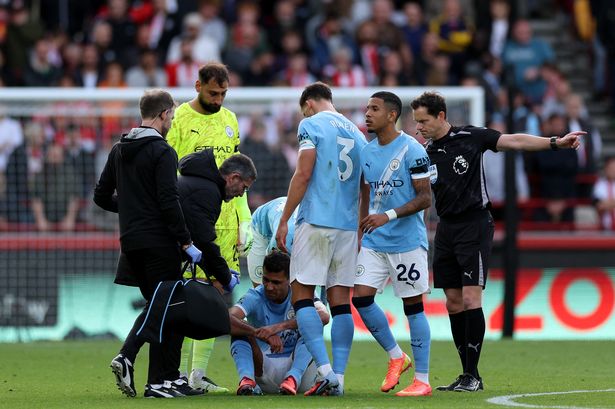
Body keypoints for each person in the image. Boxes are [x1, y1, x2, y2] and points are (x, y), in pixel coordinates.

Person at [410, 91, 584, 392]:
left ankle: (473, 375)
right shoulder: (424, 151)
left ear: (440, 116)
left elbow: (514, 140)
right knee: (452, 303)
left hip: (474, 224)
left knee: (469, 299)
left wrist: (555, 142)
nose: (419, 127)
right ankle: (465, 374)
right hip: (446, 229)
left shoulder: (471, 137)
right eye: (416, 122)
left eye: (423, 121)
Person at [93, 89, 204, 398]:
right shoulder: (163, 152)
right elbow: (169, 201)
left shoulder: (119, 149)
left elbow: (100, 196)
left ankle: (167, 380)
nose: (171, 121)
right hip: (159, 242)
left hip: (131, 242)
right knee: (164, 305)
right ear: (164, 115)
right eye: (171, 115)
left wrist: (131, 209)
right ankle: (132, 359)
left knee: (166, 308)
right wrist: (185, 241)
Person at [275, 82, 368, 396]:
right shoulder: (357, 133)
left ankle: (325, 372)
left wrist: (285, 217)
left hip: (316, 220)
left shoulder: (310, 124)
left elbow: (303, 173)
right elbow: (365, 184)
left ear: (309, 104)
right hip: (346, 225)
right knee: (341, 303)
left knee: (302, 294)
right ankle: (339, 379)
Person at [166, 61, 253, 393]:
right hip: (191, 223)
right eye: (213, 92)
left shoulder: (230, 120)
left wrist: (244, 218)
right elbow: (168, 173)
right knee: (185, 298)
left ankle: (197, 374)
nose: (218, 99)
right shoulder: (179, 120)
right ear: (197, 85)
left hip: (226, 223)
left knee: (217, 297)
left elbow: (237, 174)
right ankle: (173, 372)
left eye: (224, 93)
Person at [353, 91, 433, 397]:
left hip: (406, 242)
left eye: (374, 109)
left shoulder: (413, 150)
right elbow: (365, 189)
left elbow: (425, 197)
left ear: (391, 115)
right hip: (375, 240)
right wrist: (364, 226)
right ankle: (397, 356)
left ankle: (422, 380)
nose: (367, 113)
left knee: (413, 308)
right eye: (367, 108)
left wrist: (385, 215)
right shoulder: (367, 151)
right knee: (361, 298)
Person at [230, 251, 330, 395]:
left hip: (300, 375)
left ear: (290, 280)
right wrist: (260, 333)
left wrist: (277, 328)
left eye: (276, 282)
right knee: (239, 332)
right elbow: (227, 319)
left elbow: (324, 317)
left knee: (312, 327)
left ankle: (292, 378)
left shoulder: (301, 294)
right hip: (264, 371)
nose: (269, 287)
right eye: (266, 280)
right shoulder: (255, 295)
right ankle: (247, 380)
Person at [247, 196, 297, 286]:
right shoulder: (284, 241)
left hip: (285, 227)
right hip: (260, 227)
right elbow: (271, 268)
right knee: (263, 285)